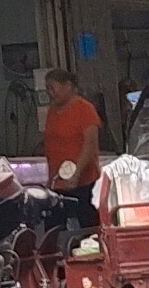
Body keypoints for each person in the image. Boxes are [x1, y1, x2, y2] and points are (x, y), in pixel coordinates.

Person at [40, 65, 104, 195]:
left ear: (68, 86)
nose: (49, 93)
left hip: (82, 182)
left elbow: (90, 145)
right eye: (47, 88)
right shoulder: (52, 111)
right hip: (57, 181)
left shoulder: (85, 109)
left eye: (53, 87)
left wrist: (76, 174)